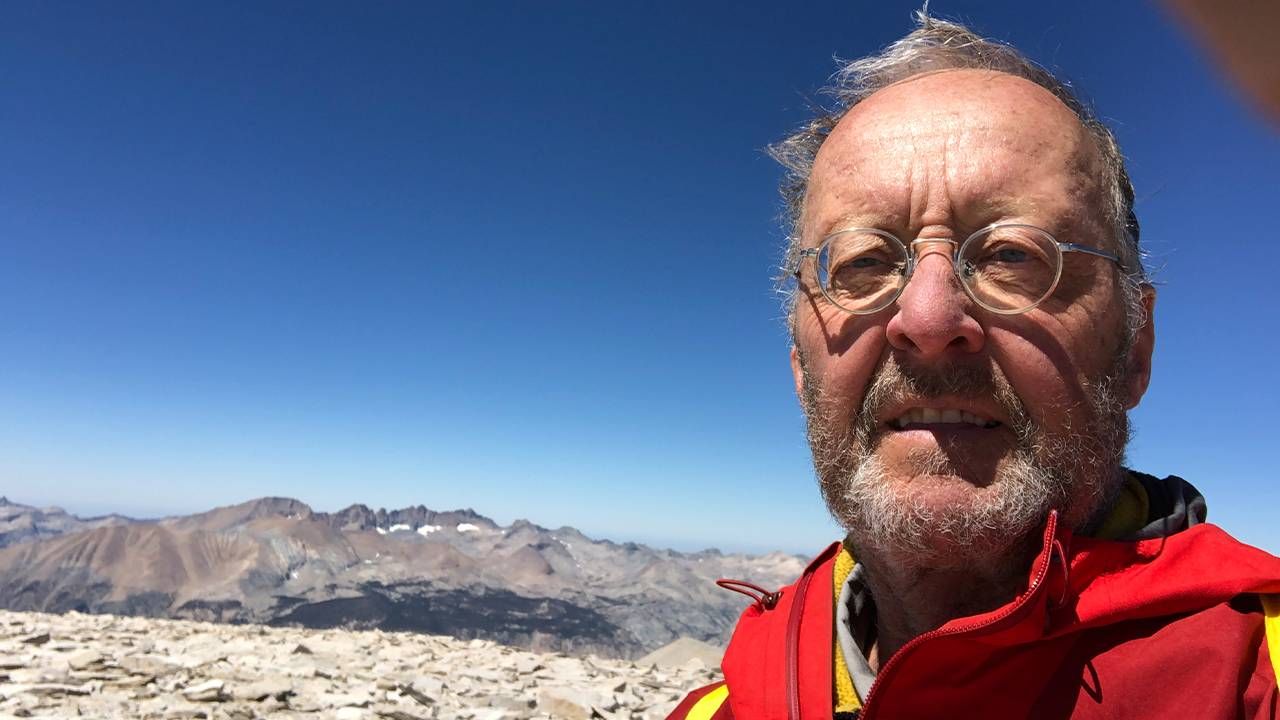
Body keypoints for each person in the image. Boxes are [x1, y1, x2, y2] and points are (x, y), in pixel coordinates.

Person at [670, 14, 1280, 720]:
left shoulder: (1255, 670)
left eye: (1014, 255)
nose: (928, 321)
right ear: (803, 371)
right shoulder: (724, 707)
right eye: (863, 264)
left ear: (1135, 347)